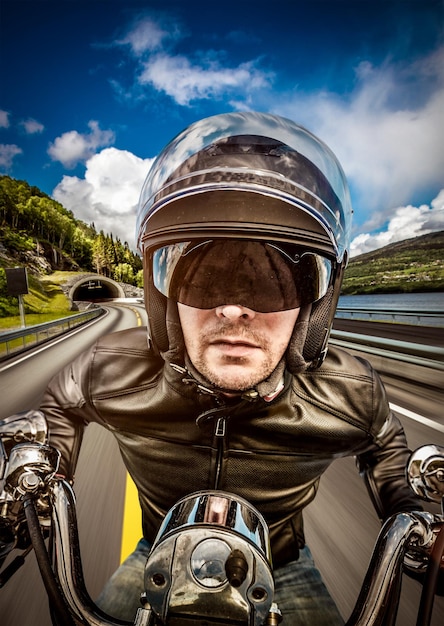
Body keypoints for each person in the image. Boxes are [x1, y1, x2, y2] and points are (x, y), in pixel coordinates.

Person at [39, 112, 422, 625]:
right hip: (156, 554)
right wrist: (42, 474)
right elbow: (60, 405)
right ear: (165, 300)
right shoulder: (108, 368)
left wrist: (412, 512)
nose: (235, 310)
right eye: (206, 278)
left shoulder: (351, 391)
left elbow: (384, 445)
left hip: (285, 566)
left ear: (312, 305)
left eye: (271, 284)